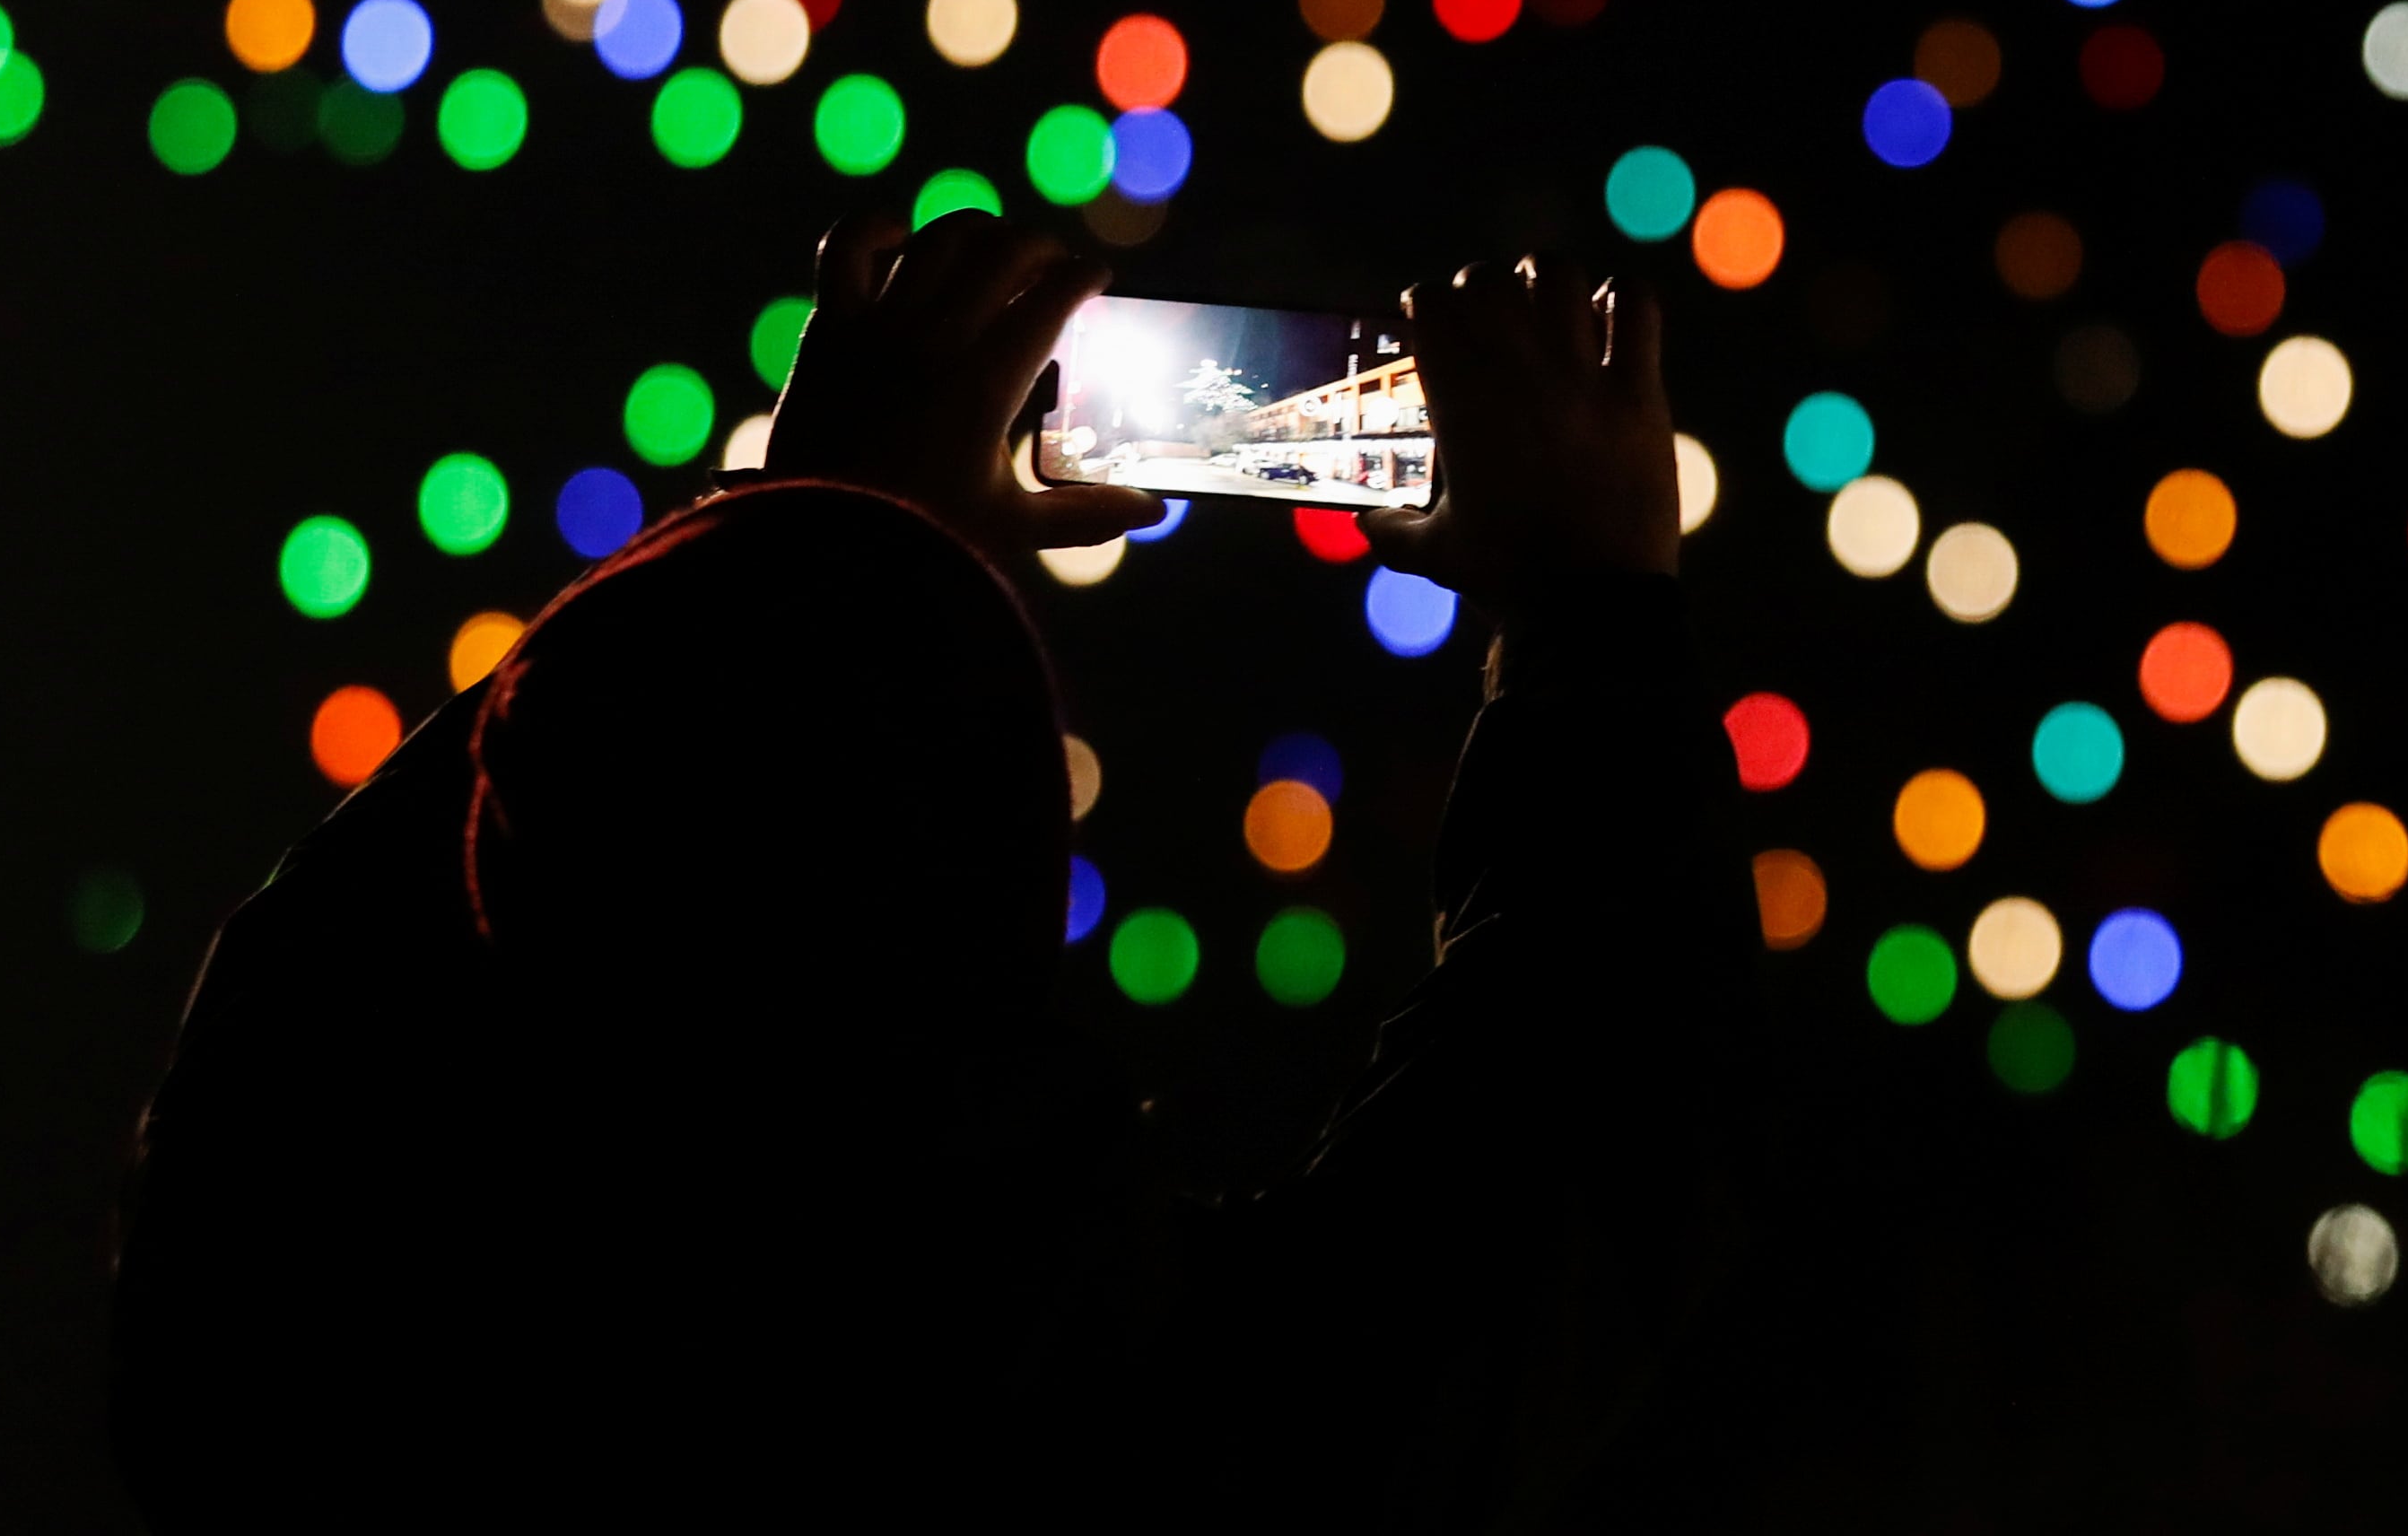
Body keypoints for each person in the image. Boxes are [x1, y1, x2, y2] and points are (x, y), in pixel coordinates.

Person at [108, 215, 1757, 1524]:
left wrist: (790, 540)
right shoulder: (1057, 1405)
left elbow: (304, 997)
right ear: (977, 881)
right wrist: (1599, 630)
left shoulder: (310, 1321)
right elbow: (1544, 1229)